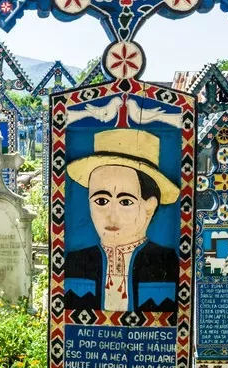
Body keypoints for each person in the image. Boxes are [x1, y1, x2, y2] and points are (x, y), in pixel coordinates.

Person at [63, 128, 180, 312]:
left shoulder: (166, 261)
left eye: (125, 202)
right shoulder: (76, 261)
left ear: (149, 206)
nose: (111, 215)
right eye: (101, 201)